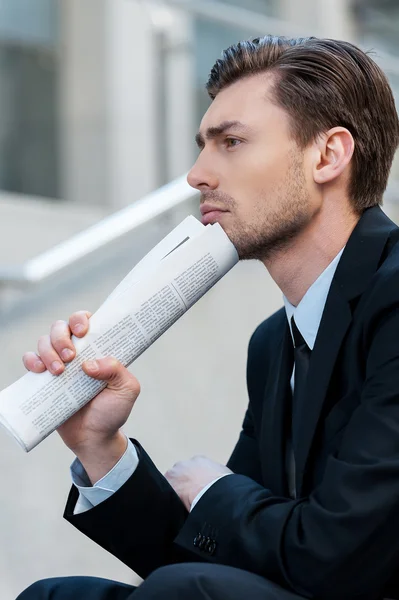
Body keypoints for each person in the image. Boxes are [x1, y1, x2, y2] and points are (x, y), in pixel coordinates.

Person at [17, 35, 399, 600]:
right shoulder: (275, 344)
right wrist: (102, 445)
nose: (197, 174)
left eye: (232, 142)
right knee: (57, 595)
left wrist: (216, 490)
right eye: (203, 145)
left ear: (328, 155)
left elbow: (337, 555)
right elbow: (224, 552)